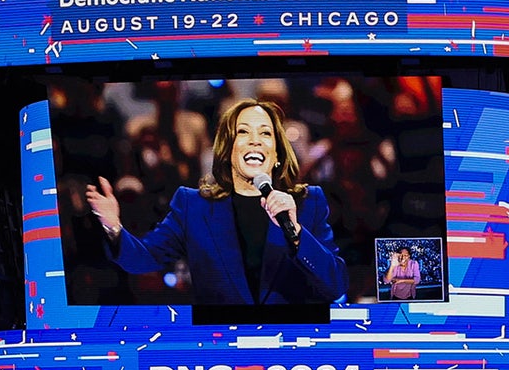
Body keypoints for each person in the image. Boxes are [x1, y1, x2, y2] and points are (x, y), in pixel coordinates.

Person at [86, 99, 348, 305]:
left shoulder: (307, 202)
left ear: (277, 153)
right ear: (227, 150)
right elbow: (143, 259)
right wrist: (113, 227)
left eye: (265, 133)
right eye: (242, 132)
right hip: (217, 350)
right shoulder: (193, 206)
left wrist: (298, 234)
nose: (255, 140)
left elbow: (335, 285)